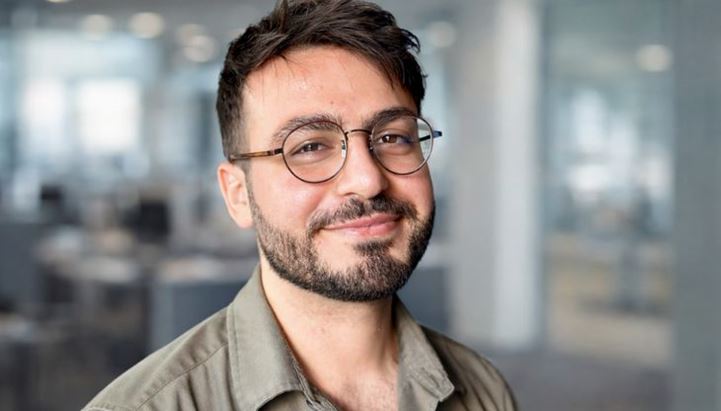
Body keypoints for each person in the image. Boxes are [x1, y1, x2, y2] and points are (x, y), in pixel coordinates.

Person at [84, 0, 516, 410]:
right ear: (238, 194)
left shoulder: (483, 391)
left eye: (393, 137)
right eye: (310, 147)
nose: (367, 181)